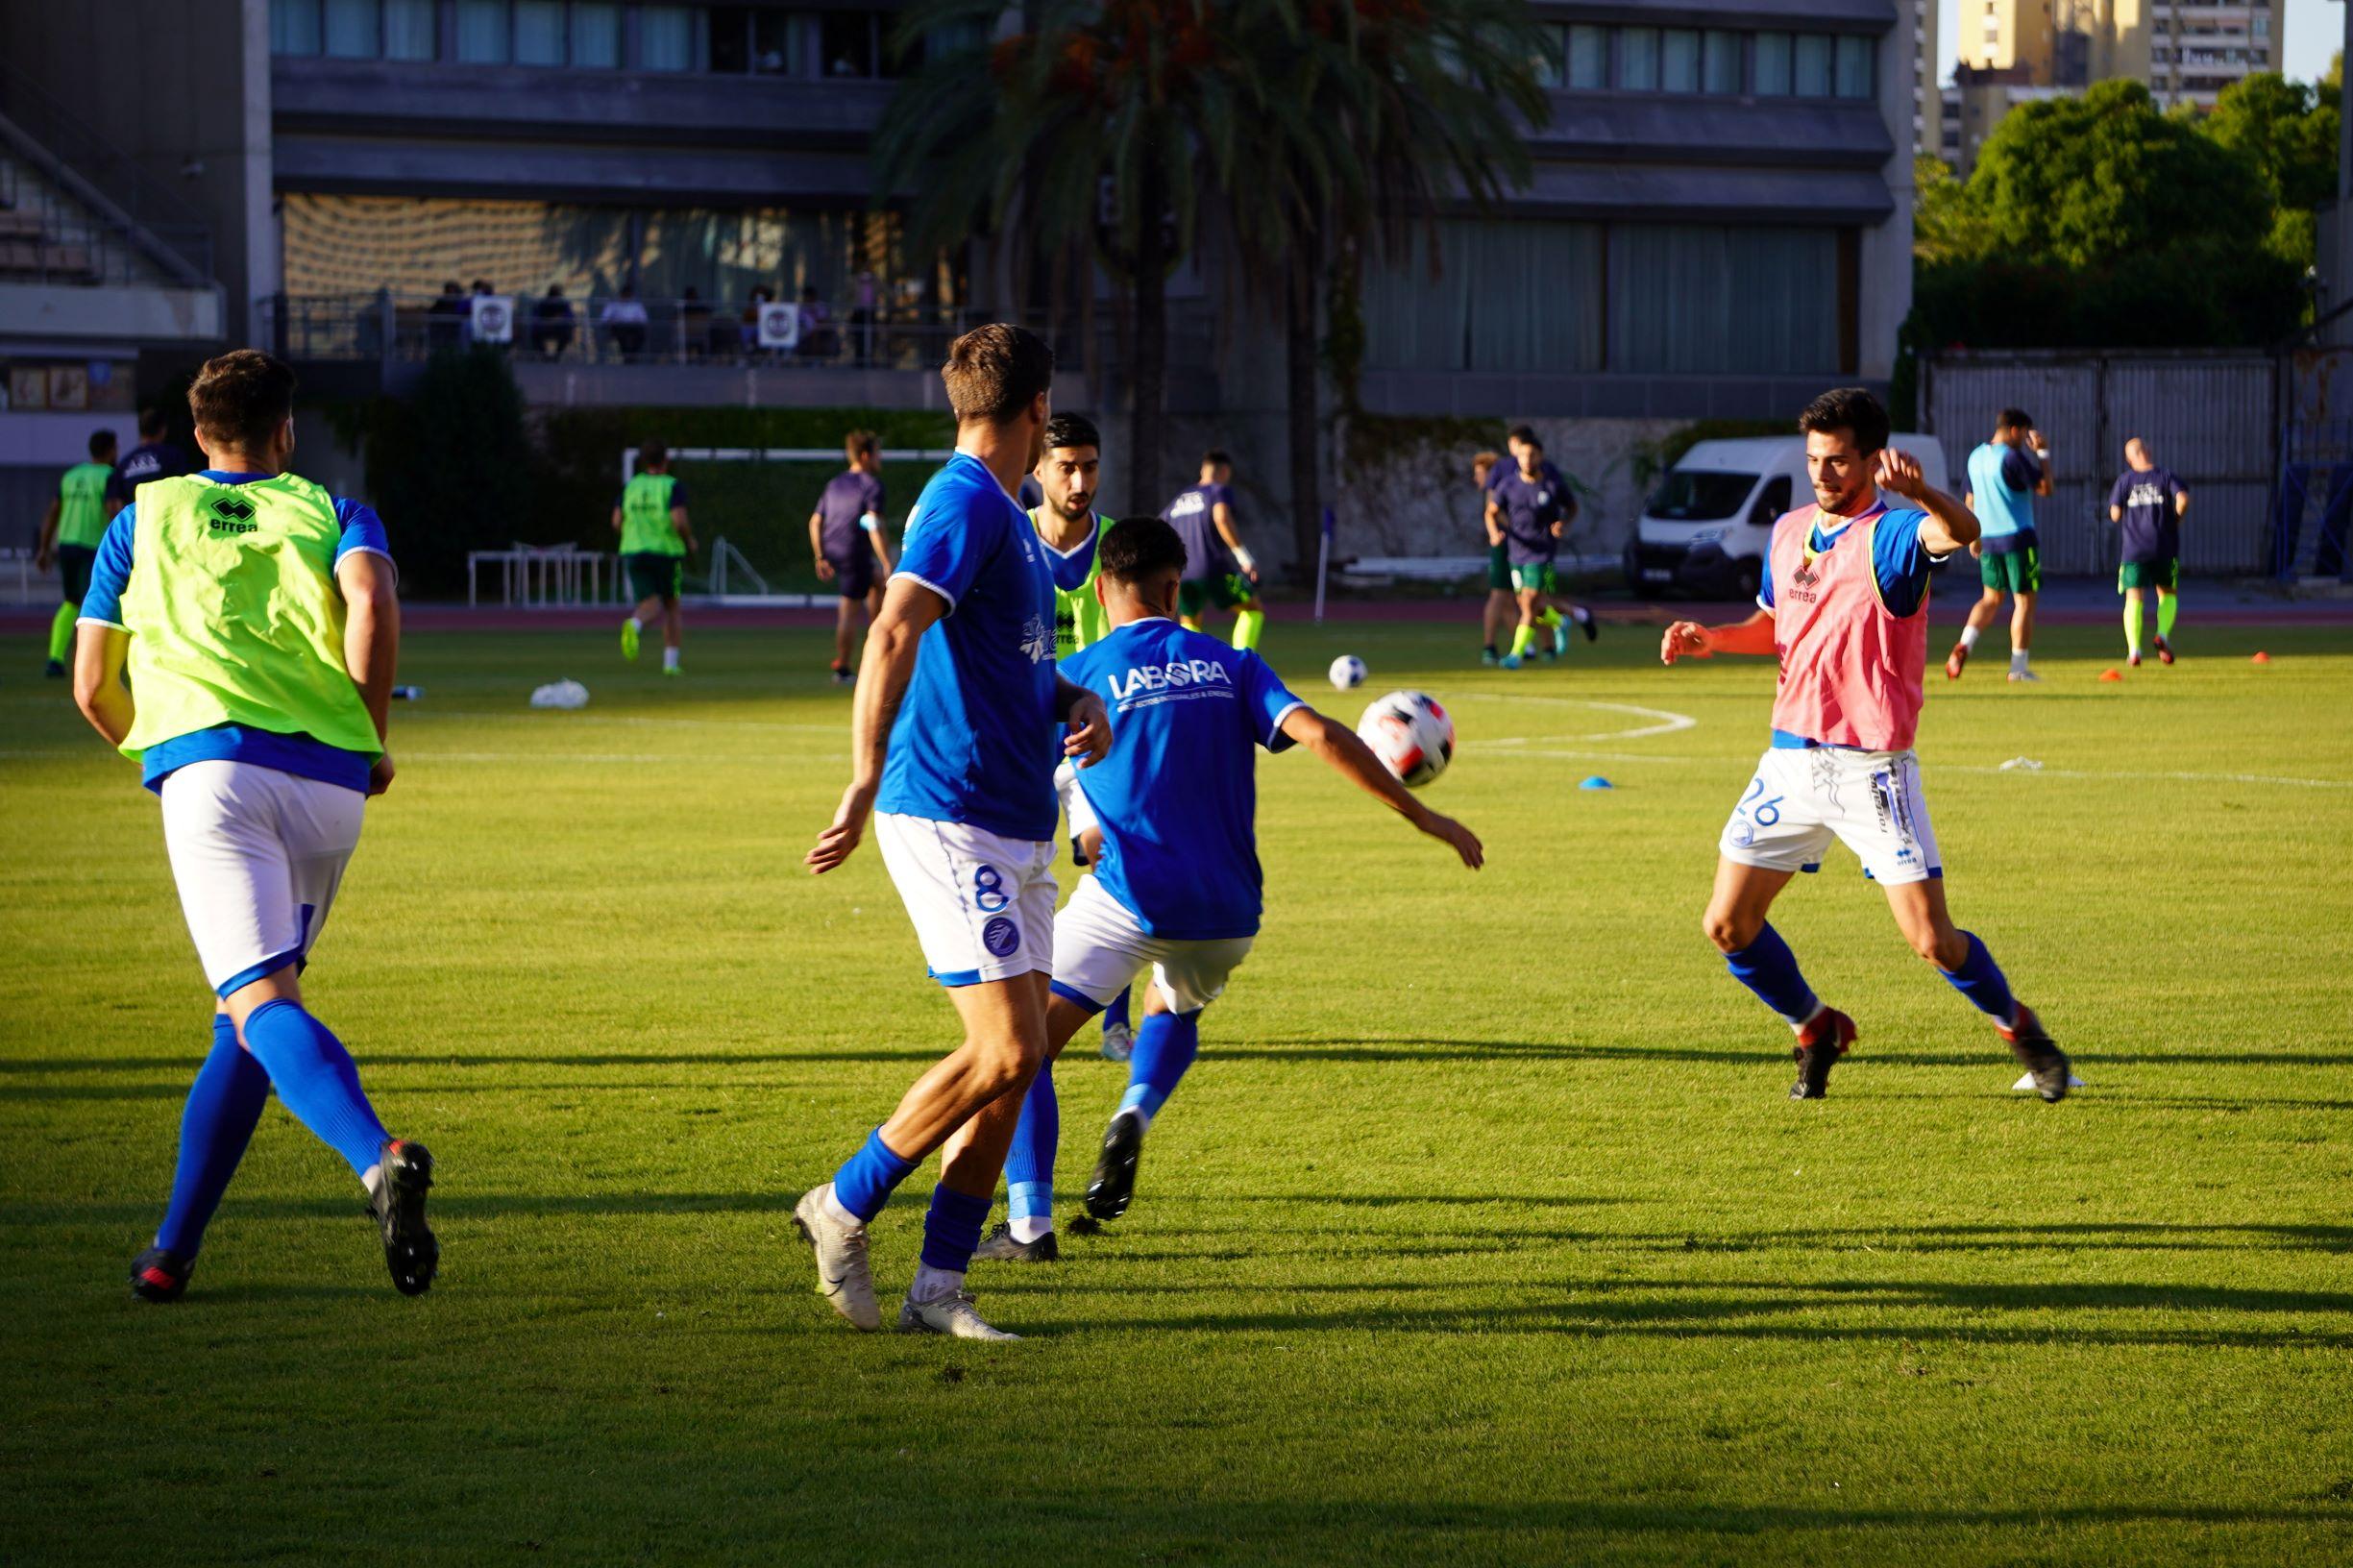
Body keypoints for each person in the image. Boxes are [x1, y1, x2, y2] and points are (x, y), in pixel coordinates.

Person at [967, 516, 1484, 1264]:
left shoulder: (1081, 675)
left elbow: (1027, 771)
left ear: (1098, 588)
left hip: (1128, 895)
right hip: (1229, 912)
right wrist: (1422, 815)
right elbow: (1322, 736)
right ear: (1176, 589)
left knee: (1018, 1052)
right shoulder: (1234, 664)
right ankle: (1136, 1110)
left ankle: (1027, 1229)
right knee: (1173, 1003)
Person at [67, 348, 437, 1303]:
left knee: (262, 1003)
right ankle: (172, 1251)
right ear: (287, 430)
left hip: (214, 778)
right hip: (327, 788)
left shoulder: (138, 521)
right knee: (243, 1019)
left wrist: (155, 756)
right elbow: (372, 600)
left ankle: (376, 1156)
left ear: (195, 434)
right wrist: (369, 739)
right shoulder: (333, 509)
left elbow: (90, 686)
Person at [796, 323, 1113, 1342]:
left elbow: (1012, 664)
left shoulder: (1012, 521)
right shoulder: (960, 500)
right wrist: (857, 778)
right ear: (1034, 410)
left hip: (1013, 815)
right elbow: (891, 627)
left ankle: (938, 1290)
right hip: (947, 812)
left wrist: (1069, 697)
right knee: (1008, 1045)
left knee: (1016, 1067)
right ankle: (840, 1206)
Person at [1659, 386, 2072, 1103]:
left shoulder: (1894, 535)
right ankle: (1815, 1027)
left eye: (1839, 460)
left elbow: (1962, 531)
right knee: (1726, 923)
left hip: (1870, 767)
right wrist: (1713, 640)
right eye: (1815, 458)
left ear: (1871, 461)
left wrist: (1925, 496)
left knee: (1932, 941)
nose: (1823, 473)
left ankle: (2021, 1028)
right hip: (1789, 761)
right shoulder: (1787, 531)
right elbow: (1776, 624)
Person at [1025, 412, 1136, 1068]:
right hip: (1022, 739)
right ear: (1038, 469)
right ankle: (1023, 1012)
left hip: (1099, 736)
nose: (1079, 479)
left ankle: (1113, 1025)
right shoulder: (1011, 541)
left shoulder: (1121, 544)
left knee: (1104, 859)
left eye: (1089, 465)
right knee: (1023, 878)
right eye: (1065, 466)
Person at [1951, 408, 2051, 682]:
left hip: (1988, 539)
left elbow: (1969, 500)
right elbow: (2045, 488)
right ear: (2016, 430)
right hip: (2018, 537)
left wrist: (1974, 536)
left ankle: (1964, 645)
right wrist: (2042, 453)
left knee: (1990, 599)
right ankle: (2018, 668)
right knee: (2024, 602)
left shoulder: (1976, 456)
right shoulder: (2012, 456)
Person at [1485, 425, 1598, 669]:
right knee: (1530, 606)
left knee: (1530, 602)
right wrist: (1494, 533)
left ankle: (1516, 655)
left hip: (1542, 552)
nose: (1527, 459)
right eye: (1523, 455)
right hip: (1517, 552)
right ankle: (1562, 620)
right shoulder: (1508, 485)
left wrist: (1562, 524)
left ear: (1540, 457)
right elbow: (1491, 512)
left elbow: (1572, 507)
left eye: (1532, 455)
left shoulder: (1551, 486)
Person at [810, 429, 895, 684]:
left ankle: (878, 644)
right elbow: (873, 524)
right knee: (848, 608)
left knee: (877, 583)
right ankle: (844, 668)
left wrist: (820, 556)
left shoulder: (835, 483)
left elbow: (815, 522)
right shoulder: (871, 485)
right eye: (878, 453)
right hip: (853, 553)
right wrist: (888, 562)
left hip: (834, 550)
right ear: (866, 455)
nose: (880, 459)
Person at [1162, 450, 1266, 650]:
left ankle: (1191, 671)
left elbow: (1159, 528)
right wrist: (1244, 557)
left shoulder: (1179, 499)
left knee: (1190, 622)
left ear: (1203, 470)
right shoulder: (1218, 490)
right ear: (1225, 471)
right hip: (1214, 567)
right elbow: (1221, 518)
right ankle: (1241, 664)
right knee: (1253, 609)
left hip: (1183, 572)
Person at [36, 429, 117, 677]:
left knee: (71, 601)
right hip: (93, 546)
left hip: (67, 544)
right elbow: (113, 510)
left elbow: (53, 512)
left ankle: (55, 658)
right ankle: (90, 663)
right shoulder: (109, 475)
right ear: (111, 450)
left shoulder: (71, 476)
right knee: (95, 604)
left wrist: (44, 547)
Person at [614, 443, 696, 675]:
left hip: (633, 550)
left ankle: (636, 622)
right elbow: (679, 520)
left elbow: (616, 521)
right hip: (665, 551)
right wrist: (689, 541)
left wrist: (633, 536)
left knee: (648, 603)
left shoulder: (631, 486)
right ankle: (670, 663)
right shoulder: (671, 485)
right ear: (665, 460)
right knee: (671, 606)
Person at [2107, 438, 2189, 667]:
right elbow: (2182, 498)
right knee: (2168, 594)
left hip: (2134, 549)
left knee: (2134, 598)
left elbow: (2114, 514)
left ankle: (2134, 651)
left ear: (2129, 458)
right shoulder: (2165, 476)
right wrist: (2175, 520)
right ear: (2148, 452)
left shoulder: (2125, 481)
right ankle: (2162, 635)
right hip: (2164, 546)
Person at [1473, 451, 1515, 666]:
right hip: (1505, 544)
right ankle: (1491, 647)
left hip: (1507, 544)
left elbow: (1495, 512)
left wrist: (1516, 531)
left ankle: (1517, 647)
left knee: (1505, 598)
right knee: (1503, 597)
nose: (1476, 478)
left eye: (1479, 473)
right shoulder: (1504, 487)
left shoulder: (1497, 487)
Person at [109, 405, 190, 509]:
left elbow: (115, 504)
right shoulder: (173, 456)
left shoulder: (124, 463)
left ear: (140, 431)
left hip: (136, 523)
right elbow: (184, 491)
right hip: (166, 520)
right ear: (163, 430)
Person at [601, 284, 650, 360]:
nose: (626, 298)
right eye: (625, 295)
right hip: (618, 327)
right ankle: (626, 356)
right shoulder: (613, 305)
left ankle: (632, 355)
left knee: (640, 335)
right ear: (621, 294)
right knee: (622, 336)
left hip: (633, 328)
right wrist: (613, 321)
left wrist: (634, 321)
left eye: (628, 295)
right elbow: (604, 318)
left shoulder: (636, 305)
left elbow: (644, 319)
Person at [531, 284, 576, 359]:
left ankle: (557, 356)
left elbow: (570, 317)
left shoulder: (563, 304)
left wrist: (560, 319)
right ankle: (545, 356)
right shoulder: (543, 303)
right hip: (545, 328)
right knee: (534, 335)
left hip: (559, 329)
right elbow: (536, 317)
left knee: (567, 334)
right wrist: (546, 321)